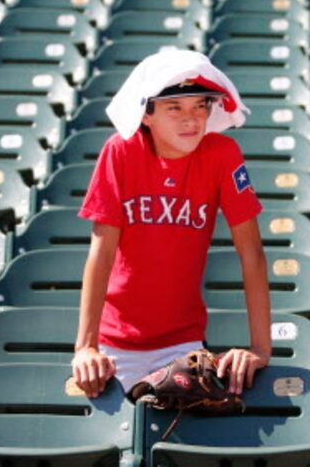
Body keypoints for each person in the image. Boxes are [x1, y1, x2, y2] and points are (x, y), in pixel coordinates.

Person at [71, 49, 271, 399]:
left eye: (200, 106)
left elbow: (251, 252)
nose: (191, 119)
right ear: (146, 114)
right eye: (174, 107)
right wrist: (85, 348)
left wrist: (260, 349)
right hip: (113, 344)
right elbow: (100, 253)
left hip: (183, 343)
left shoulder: (223, 154)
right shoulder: (120, 151)